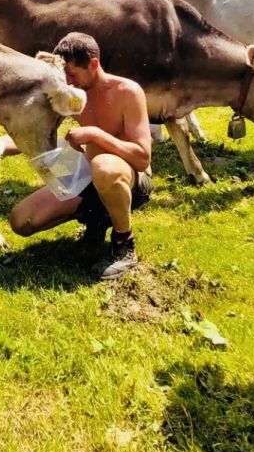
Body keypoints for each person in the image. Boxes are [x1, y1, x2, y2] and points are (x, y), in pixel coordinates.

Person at [9, 32, 152, 280]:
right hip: (86, 176)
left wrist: (95, 135)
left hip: (129, 178)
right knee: (21, 220)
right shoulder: (73, 93)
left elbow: (142, 158)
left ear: (93, 64)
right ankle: (96, 219)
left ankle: (123, 243)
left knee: (104, 167)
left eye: (73, 74)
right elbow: (38, 131)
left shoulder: (128, 92)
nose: (69, 81)